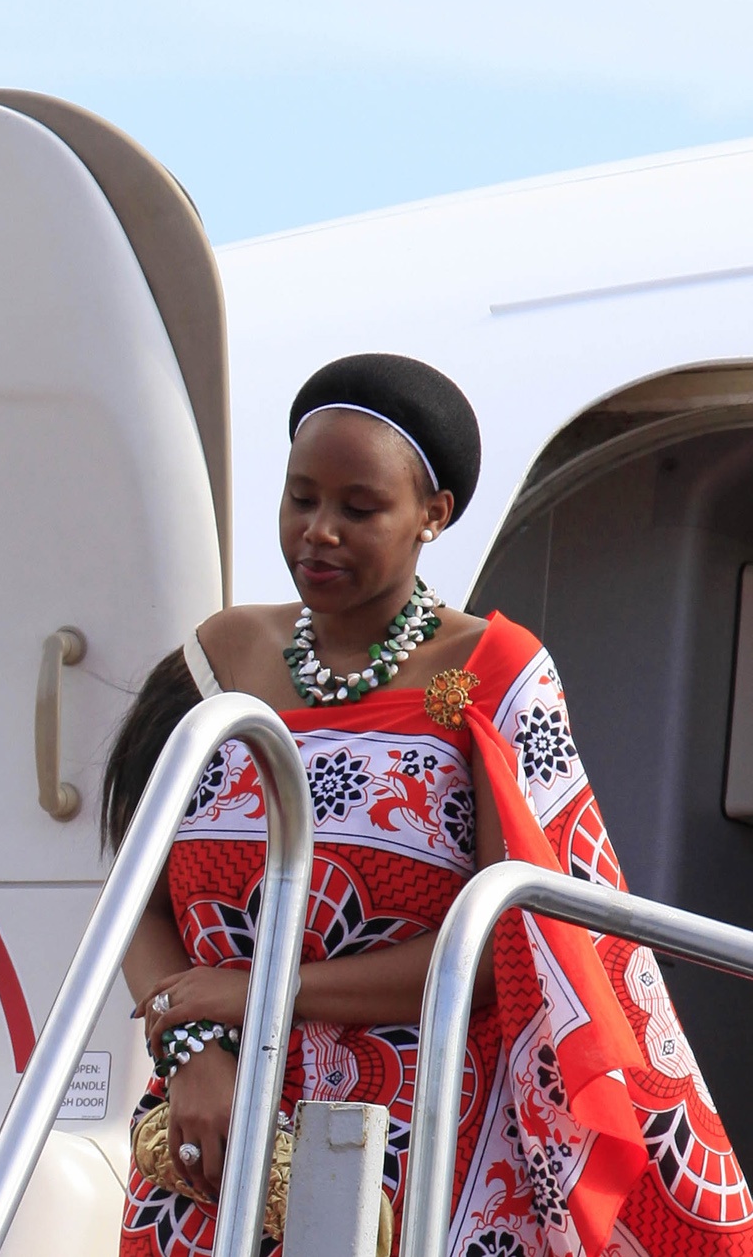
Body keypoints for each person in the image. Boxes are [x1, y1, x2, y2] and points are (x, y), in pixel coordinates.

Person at [101, 354, 752, 1256]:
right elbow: (134, 883)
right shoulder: (219, 655)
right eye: (300, 499)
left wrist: (261, 993)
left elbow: (509, 942)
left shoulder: (493, 670)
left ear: (433, 515)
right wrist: (192, 1058)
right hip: (211, 1127)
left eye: (357, 509)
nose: (316, 532)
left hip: (419, 1138)